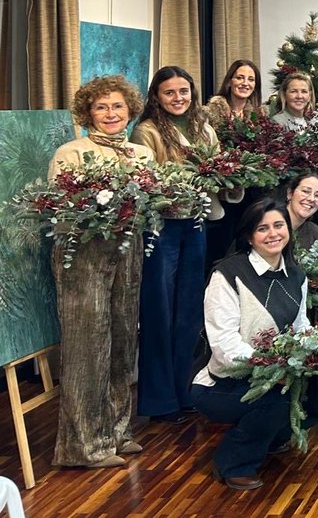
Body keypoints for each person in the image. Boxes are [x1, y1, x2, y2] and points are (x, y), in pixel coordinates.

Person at [192, 199, 318, 490]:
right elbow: (224, 344)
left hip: (281, 373)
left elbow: (301, 326)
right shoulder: (227, 275)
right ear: (249, 236)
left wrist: (316, 354)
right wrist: (271, 364)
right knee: (277, 400)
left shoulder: (296, 275)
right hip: (224, 384)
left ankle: (273, 436)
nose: (272, 233)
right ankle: (233, 462)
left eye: (278, 225)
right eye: (262, 228)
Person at [48, 75, 154, 468]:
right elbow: (60, 209)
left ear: (130, 110)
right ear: (88, 112)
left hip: (127, 254)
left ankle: (116, 431)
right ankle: (83, 446)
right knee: (87, 347)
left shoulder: (140, 154)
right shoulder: (70, 152)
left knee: (124, 341)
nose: (110, 114)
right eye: (101, 107)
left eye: (117, 107)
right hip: (84, 259)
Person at [130, 66, 235, 424]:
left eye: (184, 91)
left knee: (190, 311)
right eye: (169, 92)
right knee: (159, 312)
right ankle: (159, 401)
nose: (178, 98)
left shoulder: (203, 128)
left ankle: (183, 390)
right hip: (161, 228)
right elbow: (148, 180)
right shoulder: (146, 131)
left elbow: (218, 170)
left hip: (196, 222)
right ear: (156, 97)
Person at [204, 59, 267, 266]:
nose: (245, 83)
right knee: (220, 249)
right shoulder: (210, 114)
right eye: (240, 77)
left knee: (247, 247)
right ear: (230, 81)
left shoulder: (259, 116)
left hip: (252, 191)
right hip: (222, 192)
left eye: (251, 79)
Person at [285, 172, 318, 251]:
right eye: (305, 191)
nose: (311, 199)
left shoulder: (315, 233)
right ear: (290, 193)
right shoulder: (269, 222)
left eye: (317, 195)